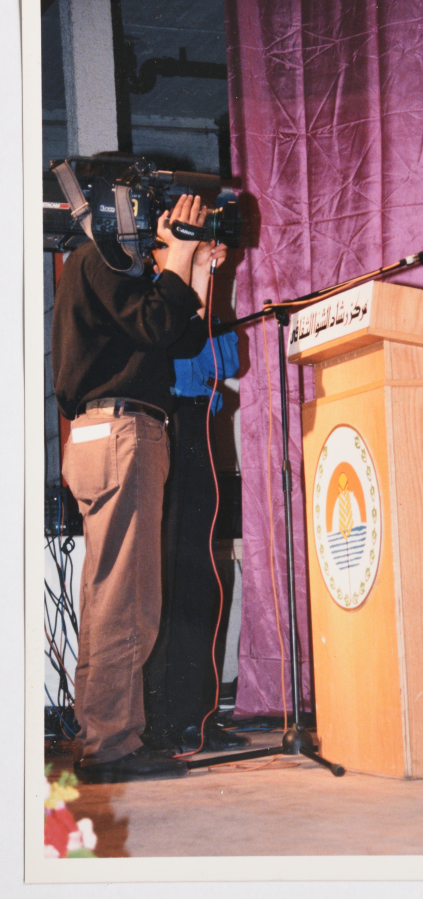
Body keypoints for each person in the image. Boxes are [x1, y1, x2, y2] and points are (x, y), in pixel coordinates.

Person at [53, 194, 219, 783]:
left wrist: (197, 267)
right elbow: (157, 322)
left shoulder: (100, 267)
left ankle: (103, 735)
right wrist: (180, 252)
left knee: (112, 595)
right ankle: (113, 744)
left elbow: (181, 340)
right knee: (127, 599)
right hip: (122, 433)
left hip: (105, 435)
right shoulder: (103, 259)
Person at [142, 254, 247, 755]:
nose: (207, 252)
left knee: (201, 576)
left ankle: (198, 715)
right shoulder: (152, 298)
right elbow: (165, 352)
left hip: (202, 426)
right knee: (167, 575)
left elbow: (230, 362)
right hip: (166, 424)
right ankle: (160, 717)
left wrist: (206, 291)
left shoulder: (205, 301)